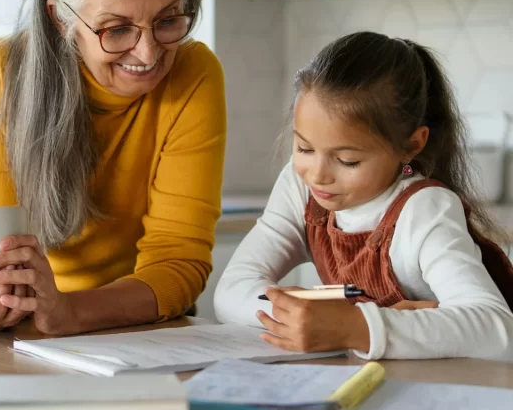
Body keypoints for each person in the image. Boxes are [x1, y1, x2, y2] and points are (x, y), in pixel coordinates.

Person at [0, 0, 227, 335]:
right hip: (34, 328)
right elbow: (0, 251)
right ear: (60, 19)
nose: (149, 52)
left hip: (146, 328)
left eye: (169, 20)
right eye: (117, 29)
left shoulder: (195, 73)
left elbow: (178, 260)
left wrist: (71, 311)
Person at [214, 31, 513, 361]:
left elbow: (497, 328)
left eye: (348, 161)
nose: (317, 174)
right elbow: (231, 289)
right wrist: (307, 315)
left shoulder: (425, 211)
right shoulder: (302, 188)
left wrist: (355, 326)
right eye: (304, 148)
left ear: (411, 146)